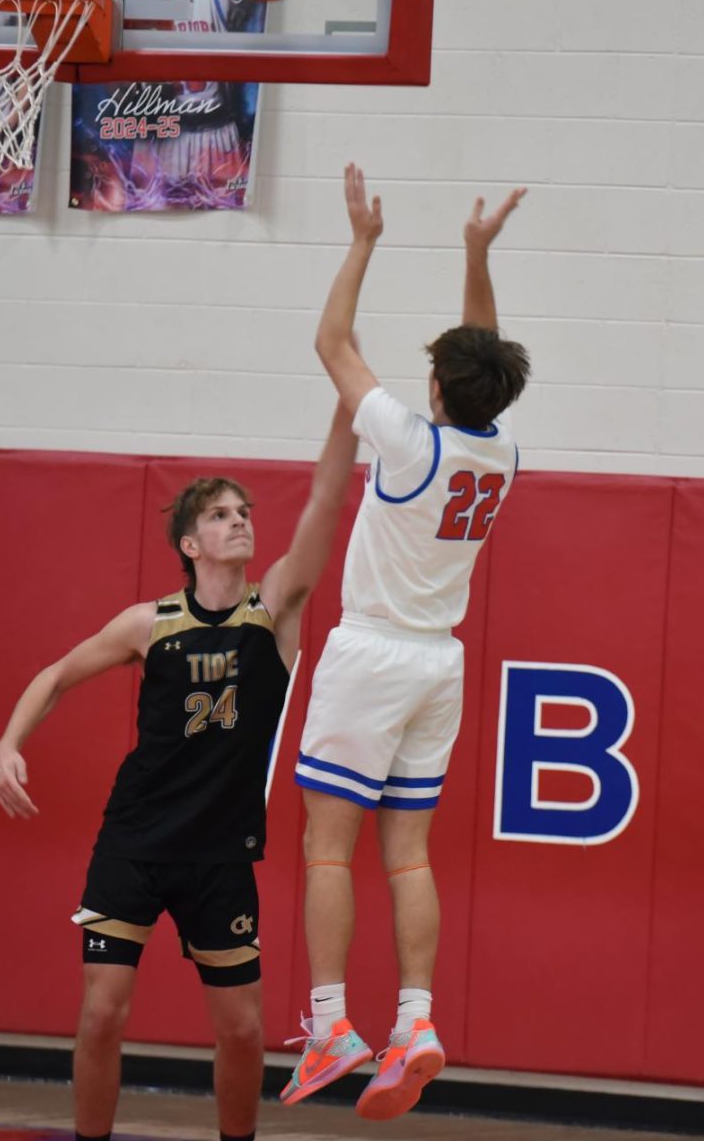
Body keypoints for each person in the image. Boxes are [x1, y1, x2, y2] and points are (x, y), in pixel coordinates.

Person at [0, 399, 358, 1141]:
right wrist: (7, 742)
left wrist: (347, 416)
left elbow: (324, 502)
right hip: (134, 840)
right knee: (100, 1014)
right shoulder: (148, 623)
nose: (240, 521)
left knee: (244, 1033)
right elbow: (57, 675)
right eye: (221, 515)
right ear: (190, 543)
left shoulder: (275, 606)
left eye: (244, 511)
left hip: (220, 853)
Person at [281, 165, 531, 1120]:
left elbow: (330, 342)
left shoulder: (406, 440)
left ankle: (335, 1022)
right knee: (409, 856)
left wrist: (363, 241)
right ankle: (417, 1020)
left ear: (434, 383)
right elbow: (483, 359)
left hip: (373, 653)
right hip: (440, 665)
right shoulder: (498, 453)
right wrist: (475, 254)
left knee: (328, 851)